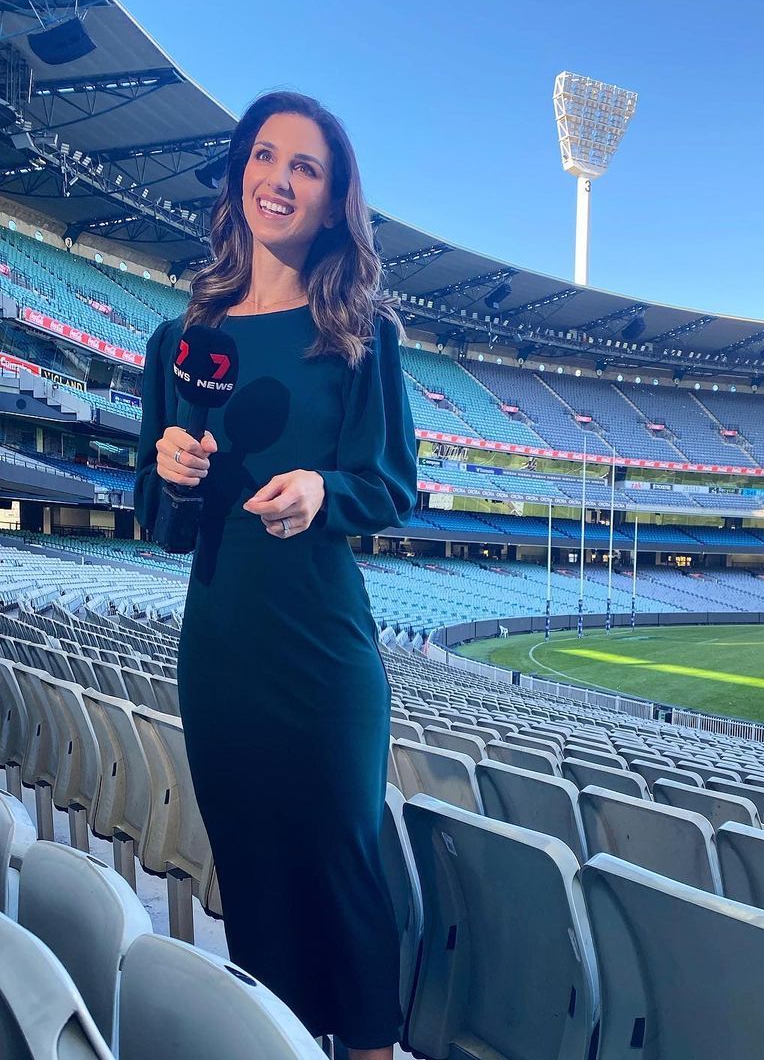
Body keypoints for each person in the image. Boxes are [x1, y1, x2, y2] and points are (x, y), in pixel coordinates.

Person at [133, 90, 418, 1059]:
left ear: (335, 201)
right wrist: (171, 474)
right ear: (238, 176)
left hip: (324, 651)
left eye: (305, 166)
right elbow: (160, 524)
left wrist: (323, 490)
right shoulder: (179, 343)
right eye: (264, 156)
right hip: (221, 650)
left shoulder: (362, 333)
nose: (279, 179)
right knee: (252, 879)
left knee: (347, 871)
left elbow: (391, 485)